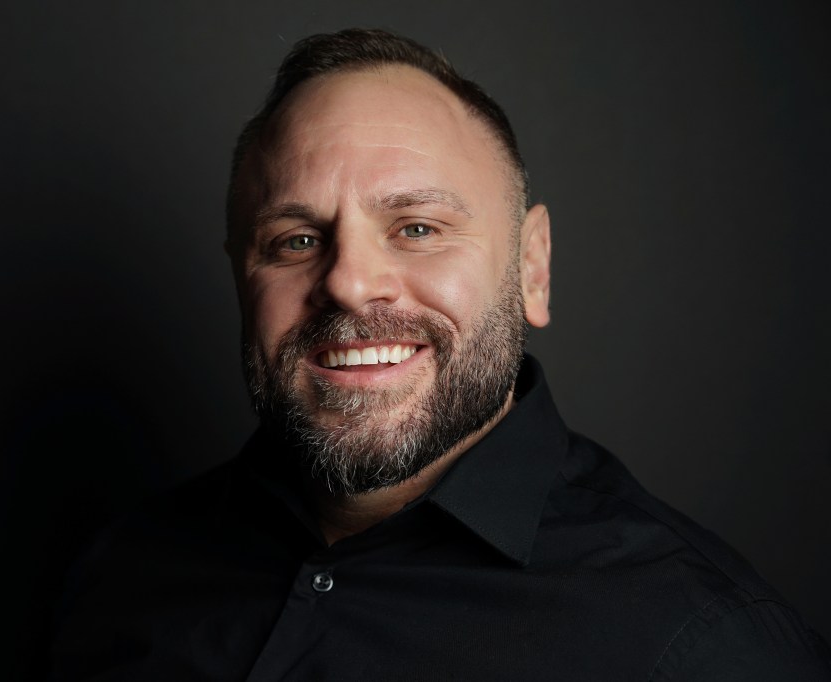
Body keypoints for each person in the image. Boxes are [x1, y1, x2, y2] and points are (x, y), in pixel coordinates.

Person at [51, 28, 831, 680]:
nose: (351, 283)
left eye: (417, 227)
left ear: (532, 267)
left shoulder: (704, 645)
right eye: (295, 240)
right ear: (238, 276)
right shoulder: (122, 571)